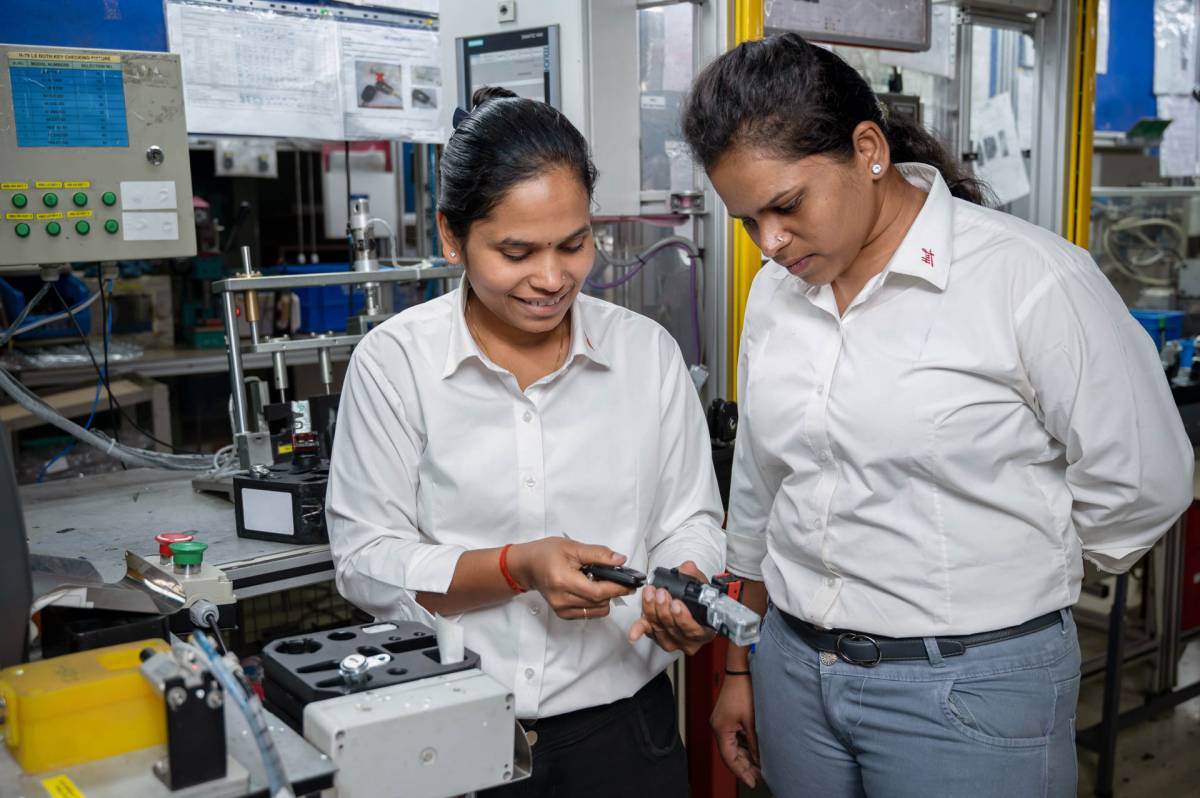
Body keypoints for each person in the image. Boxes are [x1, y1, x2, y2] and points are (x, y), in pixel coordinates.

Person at [681, 33, 1194, 798]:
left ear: (867, 149)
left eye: (785, 206)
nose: (770, 242)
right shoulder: (775, 295)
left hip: (968, 686)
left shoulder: (1030, 281)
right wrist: (738, 663)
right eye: (747, 221)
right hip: (792, 670)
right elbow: (759, 487)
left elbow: (1145, 479)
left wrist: (1016, 565)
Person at [326, 86, 725, 797]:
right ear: (452, 236)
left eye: (574, 245)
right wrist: (517, 567)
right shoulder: (397, 364)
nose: (551, 278)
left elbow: (690, 515)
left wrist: (682, 587)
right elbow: (365, 561)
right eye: (516, 251)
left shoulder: (647, 355)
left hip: (624, 735)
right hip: (451, 731)